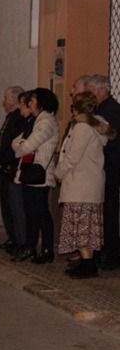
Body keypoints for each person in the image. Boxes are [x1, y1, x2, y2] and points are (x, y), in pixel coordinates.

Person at [56, 91, 115, 278]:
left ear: (76, 107)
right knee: (87, 226)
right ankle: (85, 260)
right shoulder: (97, 124)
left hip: (80, 184)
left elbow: (73, 156)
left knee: (81, 226)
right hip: (90, 183)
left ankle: (88, 264)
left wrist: (59, 172)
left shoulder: (82, 127)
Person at [11, 88, 60, 263]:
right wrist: (21, 144)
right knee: (31, 213)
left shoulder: (46, 122)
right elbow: (16, 141)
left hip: (38, 174)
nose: (29, 103)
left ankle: (46, 249)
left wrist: (21, 145)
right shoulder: (36, 121)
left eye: (32, 100)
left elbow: (25, 146)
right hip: (29, 172)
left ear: (41, 102)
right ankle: (30, 247)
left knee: (40, 213)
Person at [86, 74, 120, 270]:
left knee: (109, 212)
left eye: (91, 91)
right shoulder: (101, 109)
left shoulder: (111, 110)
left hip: (110, 168)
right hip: (104, 167)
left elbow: (111, 141)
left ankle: (110, 254)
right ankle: (102, 251)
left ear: (101, 90)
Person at [0, 86, 29, 253]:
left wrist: (2, 158)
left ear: (15, 100)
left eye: (6, 98)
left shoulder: (19, 119)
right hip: (4, 168)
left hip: (11, 168)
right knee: (7, 206)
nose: (3, 101)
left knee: (16, 207)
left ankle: (20, 240)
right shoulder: (11, 117)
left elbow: (15, 145)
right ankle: (12, 238)